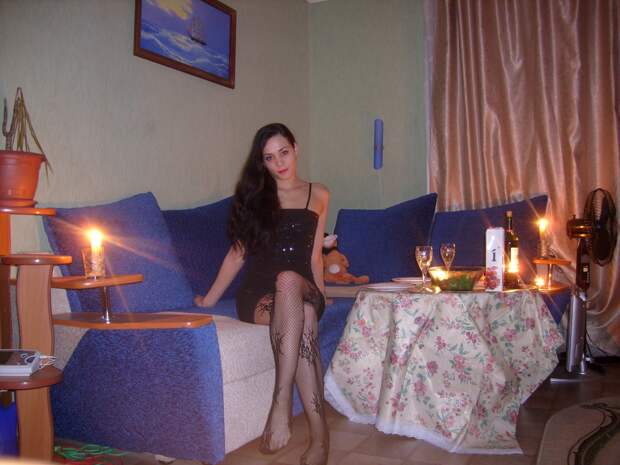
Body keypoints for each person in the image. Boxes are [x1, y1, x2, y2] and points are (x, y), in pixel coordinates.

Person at [194, 123, 330, 465]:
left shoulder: (319, 194)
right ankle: (320, 438)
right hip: (258, 294)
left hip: (302, 285)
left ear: (296, 149)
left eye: (283, 152)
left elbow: (315, 256)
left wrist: (322, 295)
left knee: (291, 282)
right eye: (269, 158)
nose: (279, 163)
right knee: (303, 317)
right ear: (263, 162)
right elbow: (237, 254)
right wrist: (209, 300)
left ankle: (280, 403)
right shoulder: (256, 199)